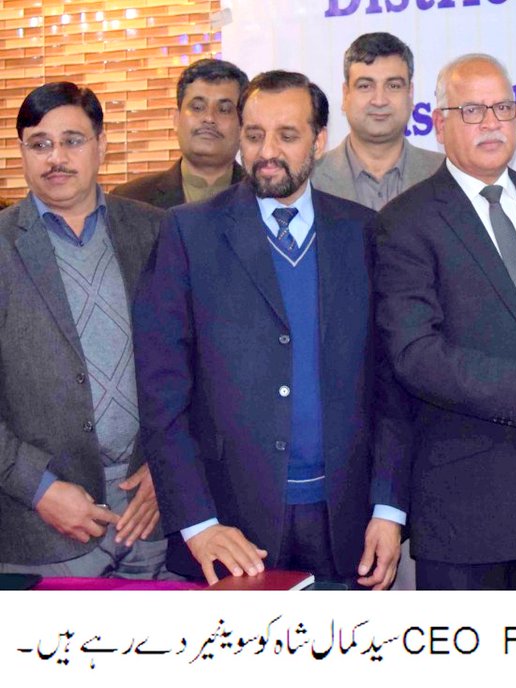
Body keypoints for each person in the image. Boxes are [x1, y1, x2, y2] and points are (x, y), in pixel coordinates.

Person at [133, 71, 403, 589]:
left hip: (347, 521)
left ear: (319, 141)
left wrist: (389, 509)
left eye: (287, 135)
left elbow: (390, 385)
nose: (267, 152)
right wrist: (199, 523)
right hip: (229, 524)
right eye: (254, 135)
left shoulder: (364, 232)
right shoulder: (188, 232)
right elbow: (161, 393)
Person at [374, 54, 516, 590]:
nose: (492, 123)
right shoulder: (406, 221)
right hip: (466, 510)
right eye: (472, 110)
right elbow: (414, 354)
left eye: (502, 108)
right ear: (437, 122)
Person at [0, 82, 167, 578]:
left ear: (101, 145)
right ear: (22, 152)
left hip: (152, 516)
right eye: (40, 143)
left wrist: (169, 467)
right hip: (42, 528)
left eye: (72, 140)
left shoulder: (156, 231)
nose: (56, 157)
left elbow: (199, 364)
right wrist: (39, 489)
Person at [312, 32, 444, 209]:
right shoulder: (309, 179)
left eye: (393, 86)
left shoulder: (445, 173)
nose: (379, 100)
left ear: (410, 94)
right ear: (346, 95)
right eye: (365, 86)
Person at [111, 59, 249, 208]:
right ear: (176, 119)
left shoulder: (262, 197)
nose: (209, 118)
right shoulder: (128, 200)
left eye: (224, 110)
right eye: (197, 107)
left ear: (243, 125)